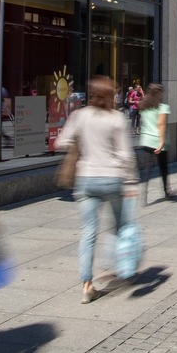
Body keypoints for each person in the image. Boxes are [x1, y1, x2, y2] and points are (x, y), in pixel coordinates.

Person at [56, 76, 138, 303]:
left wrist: (80, 144)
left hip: (86, 179)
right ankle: (116, 266)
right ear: (111, 96)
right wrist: (131, 182)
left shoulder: (80, 116)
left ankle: (87, 285)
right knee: (120, 226)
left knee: (88, 233)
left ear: (91, 95)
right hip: (112, 179)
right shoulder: (117, 119)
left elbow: (59, 143)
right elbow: (125, 154)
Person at [136, 83, 176, 201]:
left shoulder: (143, 106)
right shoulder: (163, 107)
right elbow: (161, 124)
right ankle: (167, 191)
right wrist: (162, 141)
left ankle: (144, 192)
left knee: (147, 168)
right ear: (158, 94)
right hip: (157, 140)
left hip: (146, 139)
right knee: (163, 167)